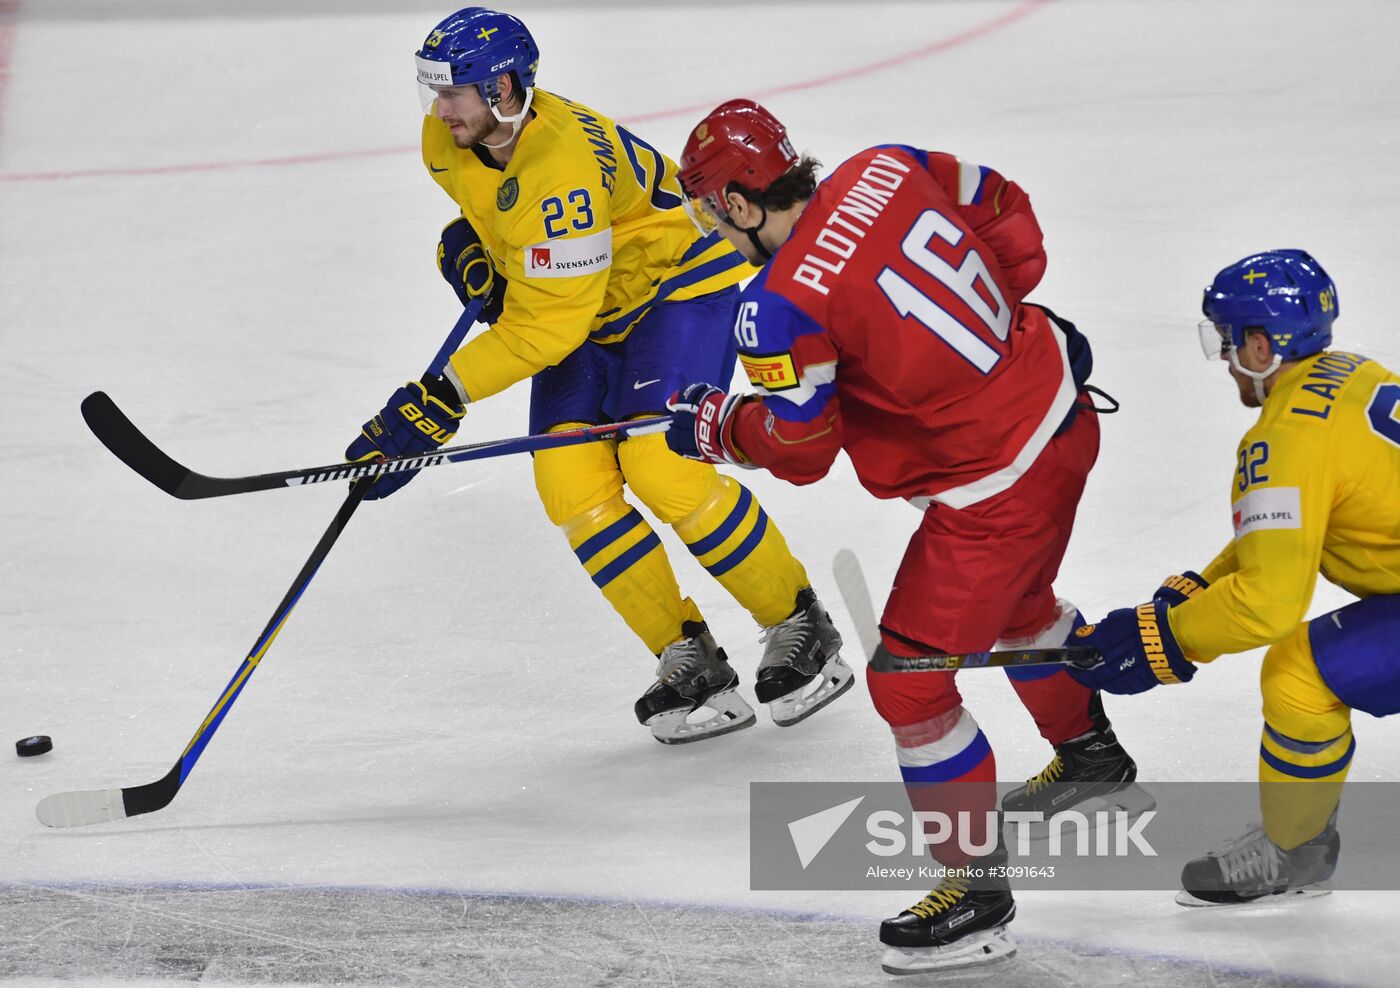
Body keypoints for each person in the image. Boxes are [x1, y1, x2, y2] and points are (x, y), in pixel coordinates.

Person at [666, 99, 1143, 974]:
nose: (708, 228)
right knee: (1020, 606)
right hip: (1063, 412)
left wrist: (720, 429)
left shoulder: (775, 305)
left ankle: (976, 897)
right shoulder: (888, 165)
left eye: (705, 208)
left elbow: (803, 449)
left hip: (994, 490)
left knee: (910, 686)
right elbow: (1013, 222)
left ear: (737, 203)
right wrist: (983, 349)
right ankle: (1090, 755)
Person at [346, 8, 853, 744]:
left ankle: (798, 622)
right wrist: (469, 249)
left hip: (673, 287)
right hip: (587, 299)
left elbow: (547, 328)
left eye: (454, 92)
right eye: (434, 91)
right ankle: (689, 660)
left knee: (662, 465)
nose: (439, 108)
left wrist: (441, 397)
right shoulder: (449, 136)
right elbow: (497, 223)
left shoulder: (561, 173)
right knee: (568, 481)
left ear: (507, 89)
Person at [1070, 249, 1400, 905]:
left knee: (1300, 671)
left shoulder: (1281, 442)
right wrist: (1188, 596)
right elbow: (1283, 534)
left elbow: (1268, 605)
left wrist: (1164, 641)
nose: (1223, 360)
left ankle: (1295, 852)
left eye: (1226, 342)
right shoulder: (1349, 372)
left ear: (1260, 344)